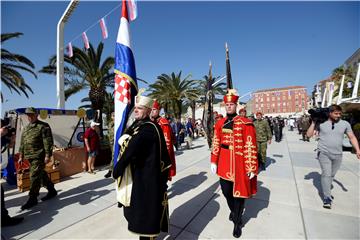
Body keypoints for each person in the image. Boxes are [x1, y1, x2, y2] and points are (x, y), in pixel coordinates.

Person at [113, 93, 171, 239]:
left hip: (147, 179)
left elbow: (132, 148)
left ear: (148, 110)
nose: (136, 110)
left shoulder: (148, 128)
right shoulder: (139, 125)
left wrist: (117, 169)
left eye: (140, 108)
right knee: (135, 213)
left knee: (144, 217)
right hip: (139, 176)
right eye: (135, 108)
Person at [210, 89, 258, 238]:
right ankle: (234, 211)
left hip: (239, 163)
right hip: (224, 162)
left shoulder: (245, 123)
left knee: (239, 195)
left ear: (236, 105)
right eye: (227, 104)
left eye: (231, 104)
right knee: (226, 191)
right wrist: (214, 160)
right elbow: (216, 141)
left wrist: (251, 167)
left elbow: (250, 145)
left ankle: (237, 222)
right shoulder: (220, 123)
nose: (229, 106)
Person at [307, 104, 360, 209]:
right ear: (330, 113)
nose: (338, 115)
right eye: (336, 113)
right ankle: (327, 198)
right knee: (326, 174)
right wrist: (313, 122)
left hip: (338, 154)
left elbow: (352, 137)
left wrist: (358, 149)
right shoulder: (322, 123)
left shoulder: (345, 124)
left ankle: (326, 190)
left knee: (331, 175)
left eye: (340, 114)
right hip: (323, 153)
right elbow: (308, 135)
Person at [18, 107, 57, 210]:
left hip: (39, 156)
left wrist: (48, 155)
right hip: (29, 157)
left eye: (31, 114)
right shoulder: (26, 128)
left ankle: (33, 198)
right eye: (28, 115)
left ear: (36, 115)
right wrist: (21, 155)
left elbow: (48, 142)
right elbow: (22, 142)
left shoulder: (43, 126)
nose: (29, 117)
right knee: (41, 174)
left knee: (34, 176)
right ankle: (51, 190)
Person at [1, 124, 24, 226]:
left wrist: (12, 138)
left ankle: (3, 219)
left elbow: (9, 146)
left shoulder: (2, 138)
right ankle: (4, 220)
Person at [150, 100, 176, 180]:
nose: (152, 111)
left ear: (158, 110)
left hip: (161, 157)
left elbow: (167, 142)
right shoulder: (151, 122)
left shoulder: (163, 123)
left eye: (154, 109)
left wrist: (164, 159)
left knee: (161, 181)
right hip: (152, 156)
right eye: (151, 109)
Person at [104, 112, 114, 178]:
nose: (114, 117)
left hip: (117, 142)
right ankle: (111, 170)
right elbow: (109, 133)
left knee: (114, 156)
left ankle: (111, 171)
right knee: (113, 155)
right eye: (113, 116)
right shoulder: (110, 124)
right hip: (112, 142)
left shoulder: (120, 122)